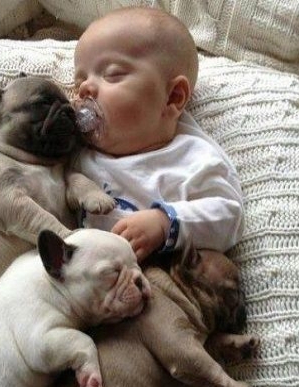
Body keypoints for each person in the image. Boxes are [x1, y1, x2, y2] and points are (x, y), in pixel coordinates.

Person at [72, 6, 244, 261]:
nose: (84, 89)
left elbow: (228, 216)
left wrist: (164, 223)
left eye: (112, 74)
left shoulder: (192, 159)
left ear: (173, 97)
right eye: (78, 83)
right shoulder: (78, 155)